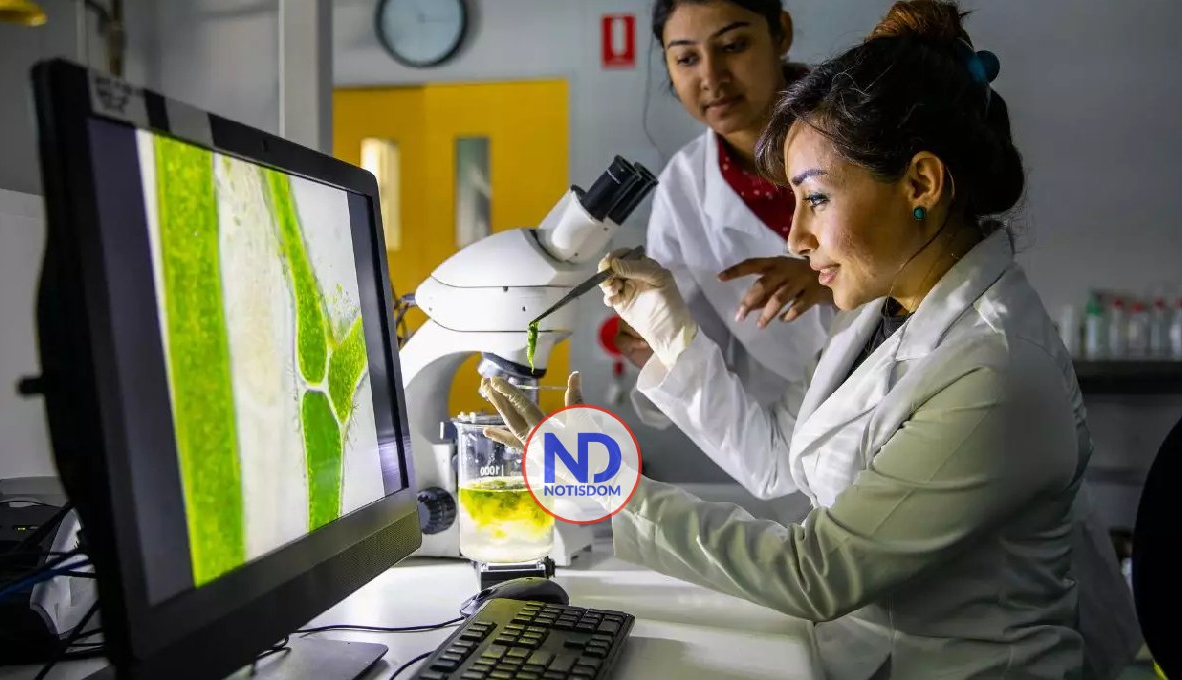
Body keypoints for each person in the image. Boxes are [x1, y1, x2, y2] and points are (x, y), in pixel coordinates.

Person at [483, 2, 1140, 677]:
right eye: (684, 58)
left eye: (816, 200)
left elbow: (816, 573)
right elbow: (778, 457)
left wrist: (602, 483)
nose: (795, 240)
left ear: (921, 183)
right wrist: (670, 331)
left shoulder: (995, 371)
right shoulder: (875, 317)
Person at [621, 0, 834, 430]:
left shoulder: (862, 126)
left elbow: (937, 253)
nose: (711, 78)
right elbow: (699, 346)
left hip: (921, 384)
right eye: (686, 59)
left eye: (734, 45)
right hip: (796, 428)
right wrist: (656, 346)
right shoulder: (684, 190)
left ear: (781, 34)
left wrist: (832, 278)